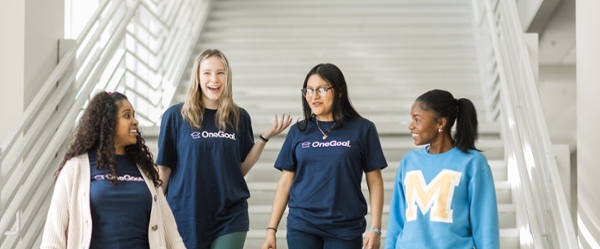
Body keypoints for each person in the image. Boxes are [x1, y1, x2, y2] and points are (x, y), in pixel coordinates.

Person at [156, 49, 292, 249]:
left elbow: (240, 168)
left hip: (230, 214)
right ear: (197, 77)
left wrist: (263, 139)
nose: (215, 79)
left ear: (227, 77)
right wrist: (157, 209)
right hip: (186, 213)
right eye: (207, 73)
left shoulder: (239, 117)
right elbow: (164, 168)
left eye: (220, 72)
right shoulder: (176, 116)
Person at [261, 63, 387, 249]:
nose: (314, 96)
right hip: (302, 225)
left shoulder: (363, 129)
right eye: (309, 90)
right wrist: (271, 230)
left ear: (340, 91)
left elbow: (375, 181)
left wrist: (375, 228)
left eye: (321, 89)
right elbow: (285, 182)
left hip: (345, 228)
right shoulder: (298, 131)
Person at [41, 91, 185, 249]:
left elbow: (171, 233)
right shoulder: (75, 168)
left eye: (134, 115)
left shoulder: (144, 170)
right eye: (127, 116)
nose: (135, 121)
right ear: (108, 123)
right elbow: (53, 238)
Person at [384, 89, 500, 249]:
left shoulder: (472, 163)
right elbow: (396, 222)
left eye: (417, 120)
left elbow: (485, 224)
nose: (411, 126)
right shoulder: (409, 162)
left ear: (440, 123)